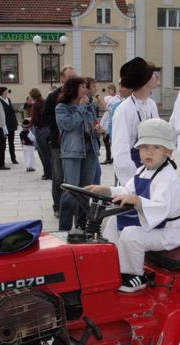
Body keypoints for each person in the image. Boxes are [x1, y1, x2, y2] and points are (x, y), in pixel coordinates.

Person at [87, 119, 180, 292]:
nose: (149, 152)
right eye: (144, 147)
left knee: (131, 235)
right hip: (153, 224)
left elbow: (160, 208)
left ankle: (134, 275)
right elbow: (127, 190)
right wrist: (107, 190)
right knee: (113, 222)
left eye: (156, 147)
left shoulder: (167, 178)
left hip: (169, 231)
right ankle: (110, 264)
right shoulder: (142, 170)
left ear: (168, 152)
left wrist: (137, 201)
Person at [55, 77, 99, 231]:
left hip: (90, 151)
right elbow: (68, 124)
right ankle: (64, 227)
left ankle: (81, 224)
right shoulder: (62, 107)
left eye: (86, 87)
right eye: (82, 87)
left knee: (86, 190)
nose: (86, 90)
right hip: (72, 152)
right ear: (73, 89)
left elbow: (92, 125)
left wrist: (97, 130)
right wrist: (81, 108)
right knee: (71, 189)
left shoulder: (89, 105)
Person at [111, 57, 160, 186]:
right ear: (145, 80)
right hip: (133, 172)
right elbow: (120, 151)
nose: (156, 76)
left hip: (151, 167)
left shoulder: (151, 105)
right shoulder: (124, 109)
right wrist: (133, 182)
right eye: (153, 74)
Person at [42, 66, 78, 218]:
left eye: (75, 77)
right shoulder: (53, 97)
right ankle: (57, 206)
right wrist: (62, 122)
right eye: (70, 77)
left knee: (73, 178)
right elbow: (45, 117)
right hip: (58, 142)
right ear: (62, 79)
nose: (73, 80)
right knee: (58, 177)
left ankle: (73, 205)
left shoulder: (78, 95)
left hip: (75, 143)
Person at [84, 77, 105, 184]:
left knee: (97, 174)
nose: (95, 89)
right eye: (93, 87)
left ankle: (96, 194)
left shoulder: (91, 104)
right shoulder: (82, 104)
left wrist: (98, 126)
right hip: (87, 146)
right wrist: (93, 128)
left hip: (93, 144)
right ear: (86, 88)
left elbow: (94, 121)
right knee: (92, 176)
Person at [29, 88, 51, 179]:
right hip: (48, 129)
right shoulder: (45, 102)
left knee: (43, 153)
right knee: (49, 153)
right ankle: (52, 172)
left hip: (40, 129)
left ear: (32, 96)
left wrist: (30, 122)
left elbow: (35, 119)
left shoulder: (36, 105)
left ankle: (47, 173)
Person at [0, 87, 19, 164]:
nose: (7, 92)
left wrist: (15, 122)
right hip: (4, 124)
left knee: (11, 142)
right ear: (3, 92)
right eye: (6, 91)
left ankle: (13, 158)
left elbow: (12, 111)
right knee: (2, 143)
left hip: (11, 123)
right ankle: (1, 159)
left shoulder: (8, 99)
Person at [100, 84, 117, 164]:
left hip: (110, 121)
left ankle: (111, 158)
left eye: (110, 90)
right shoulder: (112, 98)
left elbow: (105, 107)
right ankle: (109, 157)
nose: (109, 91)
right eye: (108, 90)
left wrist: (98, 98)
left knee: (110, 141)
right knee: (107, 140)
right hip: (107, 120)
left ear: (114, 91)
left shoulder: (113, 99)